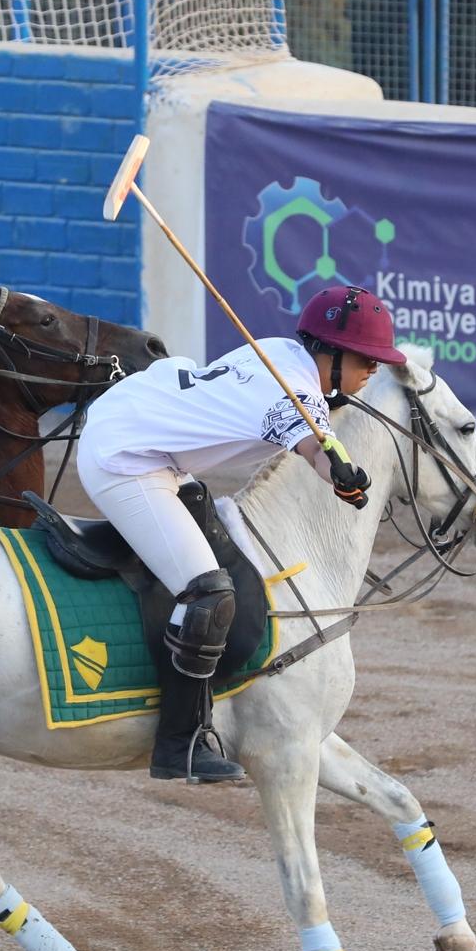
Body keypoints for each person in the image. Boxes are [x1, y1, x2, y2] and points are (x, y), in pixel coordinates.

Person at [76, 284, 403, 783]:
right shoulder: (294, 392)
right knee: (208, 592)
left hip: (149, 441)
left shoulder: (278, 352)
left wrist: (334, 458)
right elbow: (313, 445)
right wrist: (338, 472)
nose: (374, 369)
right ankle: (178, 743)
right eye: (365, 357)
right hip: (125, 459)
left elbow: (314, 431)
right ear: (329, 354)